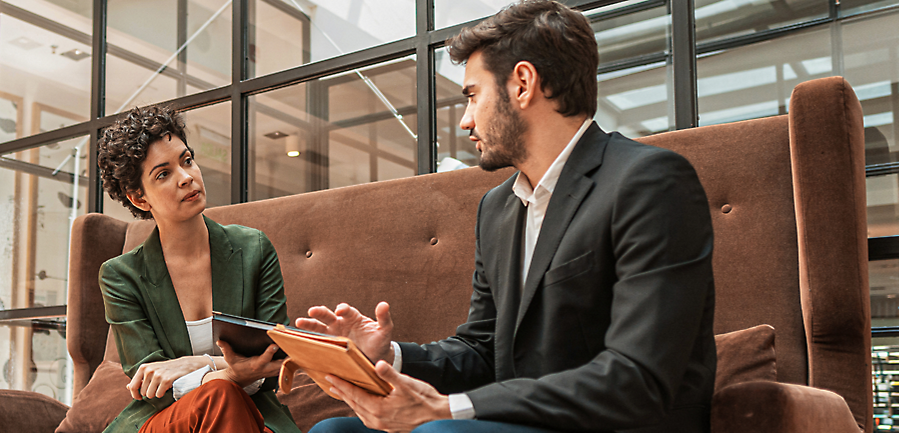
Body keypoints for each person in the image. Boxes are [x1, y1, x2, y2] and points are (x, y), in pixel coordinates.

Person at [297, 1, 716, 432]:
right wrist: (388, 356)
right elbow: (482, 351)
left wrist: (449, 409)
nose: (465, 121)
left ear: (522, 84)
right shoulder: (497, 208)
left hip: (616, 425)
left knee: (442, 430)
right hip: (517, 424)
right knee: (334, 431)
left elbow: (636, 377)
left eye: (473, 96)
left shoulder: (649, 181)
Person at [97, 106, 300, 433]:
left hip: (251, 417)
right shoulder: (121, 275)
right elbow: (152, 384)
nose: (186, 177)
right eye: (163, 174)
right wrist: (229, 373)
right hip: (166, 421)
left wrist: (199, 364)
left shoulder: (253, 249)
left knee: (224, 397)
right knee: (220, 393)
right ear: (139, 199)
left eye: (187, 160)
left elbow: (277, 356)